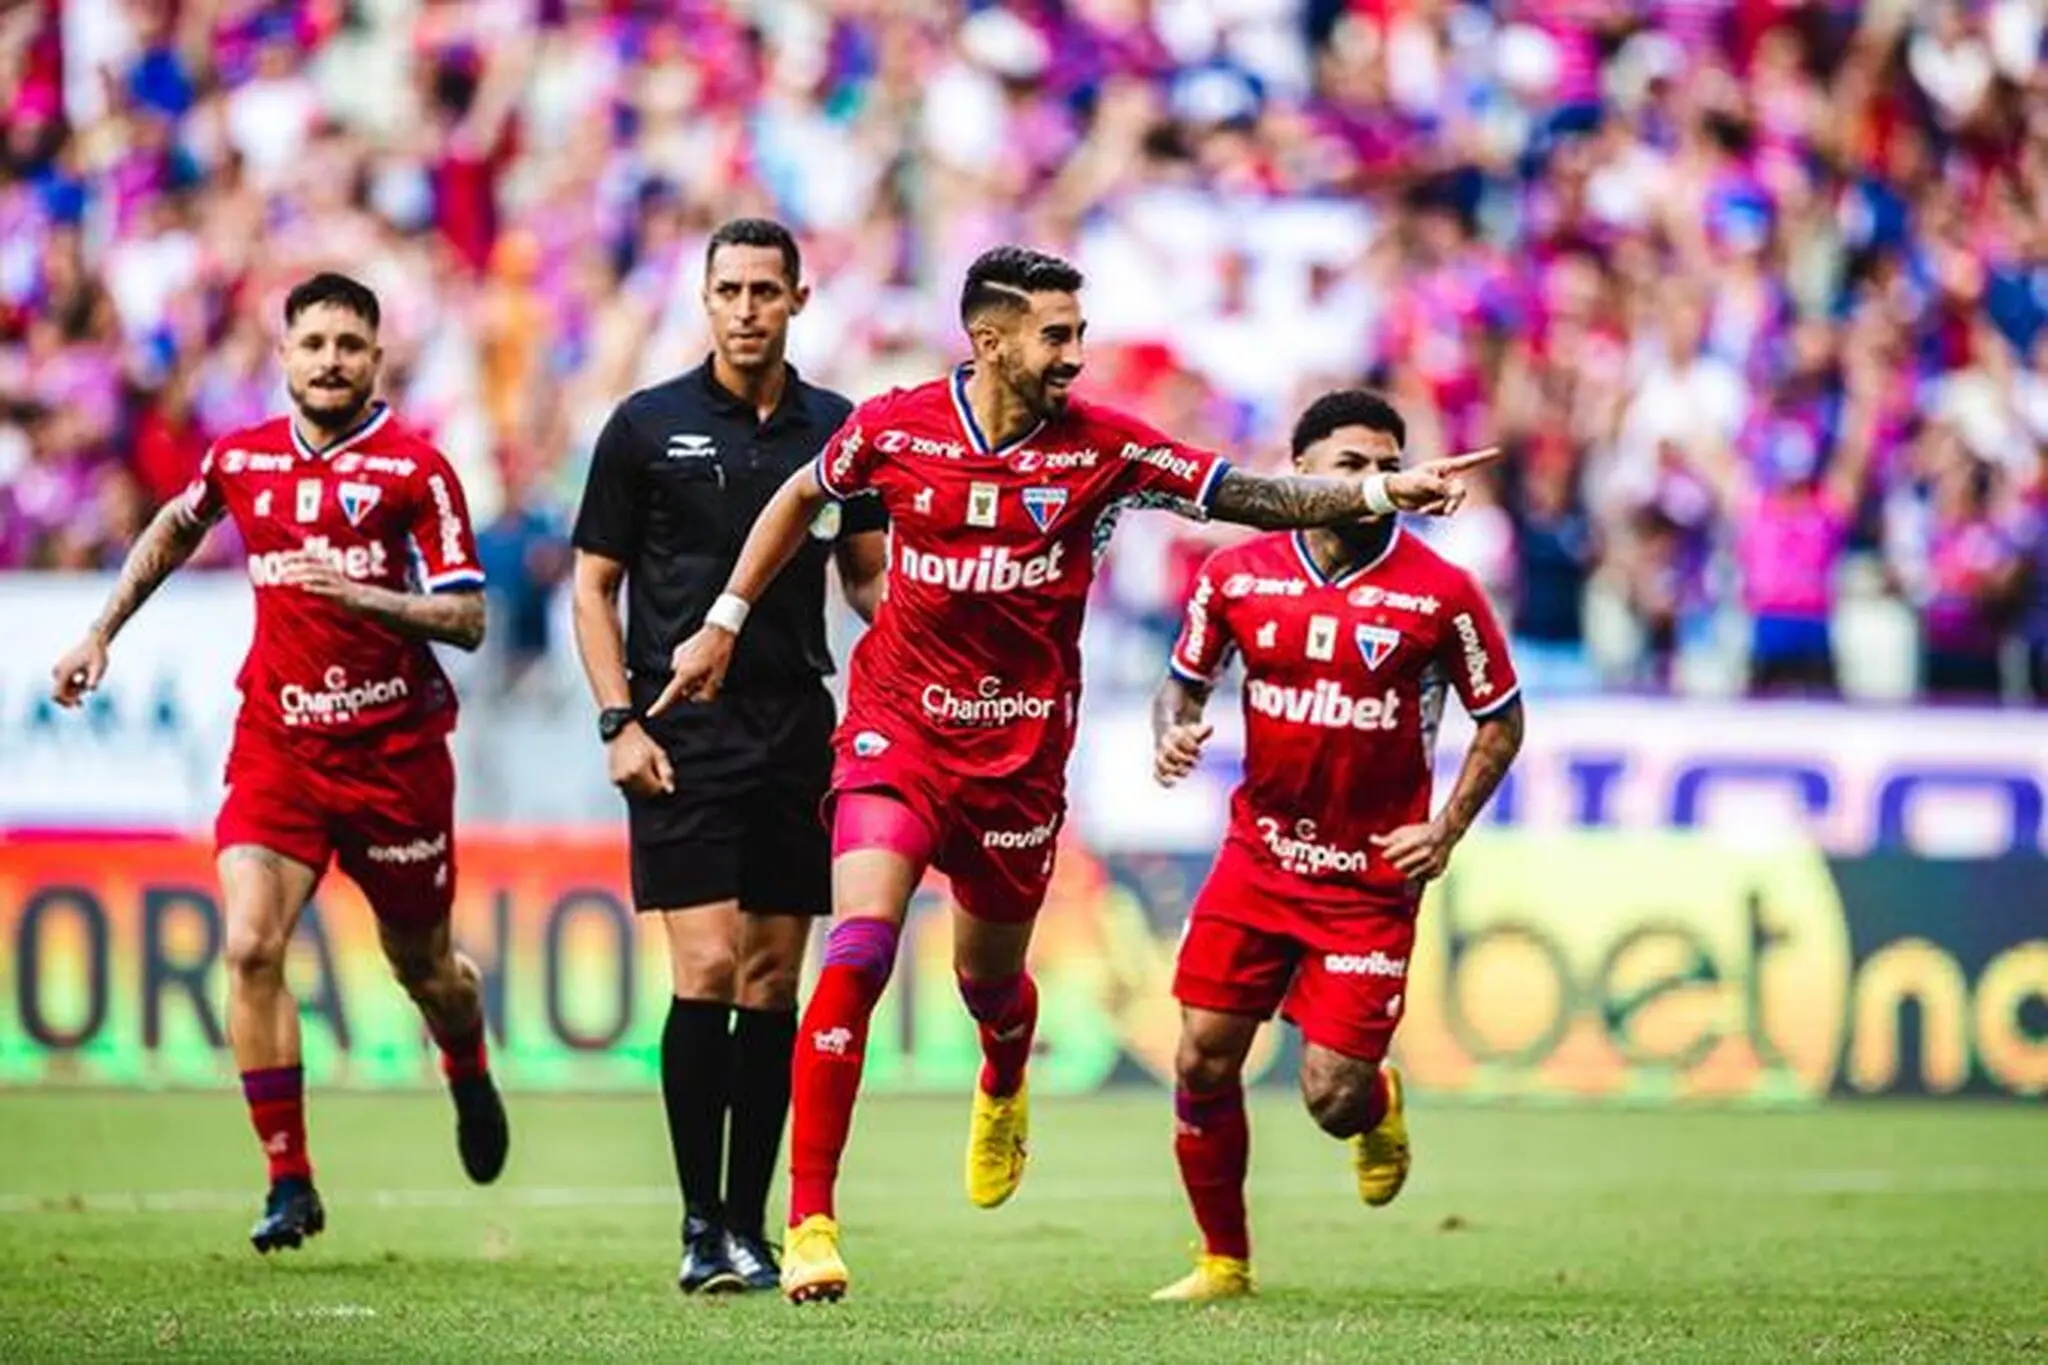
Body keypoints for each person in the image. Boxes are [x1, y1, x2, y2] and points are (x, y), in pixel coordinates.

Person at [655, 244, 1497, 1305]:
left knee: (989, 987)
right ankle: (811, 1221)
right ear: (990, 337)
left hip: (1017, 762)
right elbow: (795, 499)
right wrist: (724, 620)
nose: (1074, 355)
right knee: (859, 944)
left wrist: (1374, 490)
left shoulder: (1101, 447)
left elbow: (1236, 493)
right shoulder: (893, 426)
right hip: (897, 732)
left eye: (1077, 334)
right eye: (1057, 335)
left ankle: (1003, 1067)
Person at [47, 272, 507, 1252]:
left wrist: (359, 596)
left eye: (349, 344)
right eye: (314, 344)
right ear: (285, 353)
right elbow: (175, 529)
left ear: (376, 357)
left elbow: (467, 617)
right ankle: (288, 1179)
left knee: (425, 970)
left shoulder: (416, 472)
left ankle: (465, 1065)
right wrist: (99, 634)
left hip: (394, 757)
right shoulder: (241, 460)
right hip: (280, 748)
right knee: (250, 945)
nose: (331, 360)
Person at [1147, 389, 1525, 1301]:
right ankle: (1222, 1260)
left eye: (1386, 465)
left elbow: (1501, 721)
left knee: (1331, 1099)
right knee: (1200, 1055)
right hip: (1259, 856)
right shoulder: (1236, 573)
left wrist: (1445, 830)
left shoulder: (1442, 593)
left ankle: (1378, 1105)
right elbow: (1182, 683)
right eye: (1351, 465)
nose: (1373, 482)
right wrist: (1174, 729)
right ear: (1302, 469)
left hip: (1368, 880)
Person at [570, 219, 887, 1294]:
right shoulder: (645, 427)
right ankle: (700, 1224)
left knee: (772, 979)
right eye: (726, 290)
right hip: (679, 727)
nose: (744, 308)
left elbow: (865, 582)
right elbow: (591, 585)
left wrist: (918, 653)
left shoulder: (837, 430)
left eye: (763, 290)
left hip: (796, 725)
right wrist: (620, 722)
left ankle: (752, 1225)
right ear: (702, 301)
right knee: (704, 968)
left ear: (799, 298)